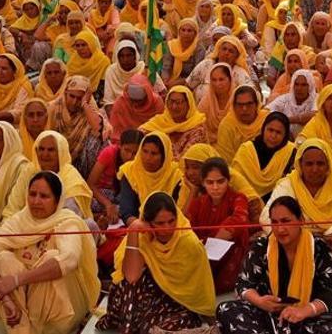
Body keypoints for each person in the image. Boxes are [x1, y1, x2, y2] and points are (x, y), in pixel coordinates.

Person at [0, 171, 100, 334]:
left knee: (50, 258)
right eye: (32, 194)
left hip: (60, 312)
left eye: (44, 196)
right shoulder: (19, 221)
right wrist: (5, 298)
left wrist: (17, 280)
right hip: (16, 308)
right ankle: (22, 329)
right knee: (3, 259)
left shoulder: (67, 222)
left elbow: (69, 259)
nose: (36, 201)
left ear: (57, 201)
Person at [217, 196, 332, 334]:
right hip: (268, 316)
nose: (280, 229)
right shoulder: (262, 246)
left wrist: (304, 311)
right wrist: (260, 301)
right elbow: (243, 285)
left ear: (301, 221)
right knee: (226, 309)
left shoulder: (318, 247)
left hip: (307, 317)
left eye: (286, 221)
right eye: (275, 222)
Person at [98, 191, 217, 334]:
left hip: (178, 303)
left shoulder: (189, 242)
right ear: (148, 222)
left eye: (171, 221)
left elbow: (199, 288)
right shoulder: (143, 237)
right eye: (160, 223)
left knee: (155, 328)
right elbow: (131, 276)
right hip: (149, 298)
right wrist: (134, 230)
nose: (167, 229)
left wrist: (212, 319)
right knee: (127, 286)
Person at [262, 138, 332, 292]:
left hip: (331, 245)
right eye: (309, 164)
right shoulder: (289, 184)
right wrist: (305, 239)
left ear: (328, 165)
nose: (314, 169)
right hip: (295, 243)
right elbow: (266, 218)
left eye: (320, 164)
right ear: (300, 165)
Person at [184, 157, 251, 293]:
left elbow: (239, 219)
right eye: (210, 182)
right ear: (203, 183)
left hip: (230, 255)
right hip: (202, 254)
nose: (215, 187)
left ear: (228, 180)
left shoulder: (238, 198)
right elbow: (186, 228)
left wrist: (214, 241)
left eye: (220, 181)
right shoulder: (198, 203)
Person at [116, 131, 184, 224]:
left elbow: (180, 213)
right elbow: (127, 212)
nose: (147, 158)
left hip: (169, 228)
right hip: (138, 227)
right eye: (144, 151)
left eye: (154, 153)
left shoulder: (176, 175)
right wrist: (143, 228)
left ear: (164, 156)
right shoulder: (130, 171)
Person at [231, 111, 297, 200]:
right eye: (270, 130)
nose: (273, 136)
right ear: (263, 129)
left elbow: (292, 184)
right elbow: (235, 180)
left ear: (285, 135)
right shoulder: (246, 150)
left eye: (278, 132)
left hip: (277, 201)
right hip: (246, 200)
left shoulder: (290, 151)